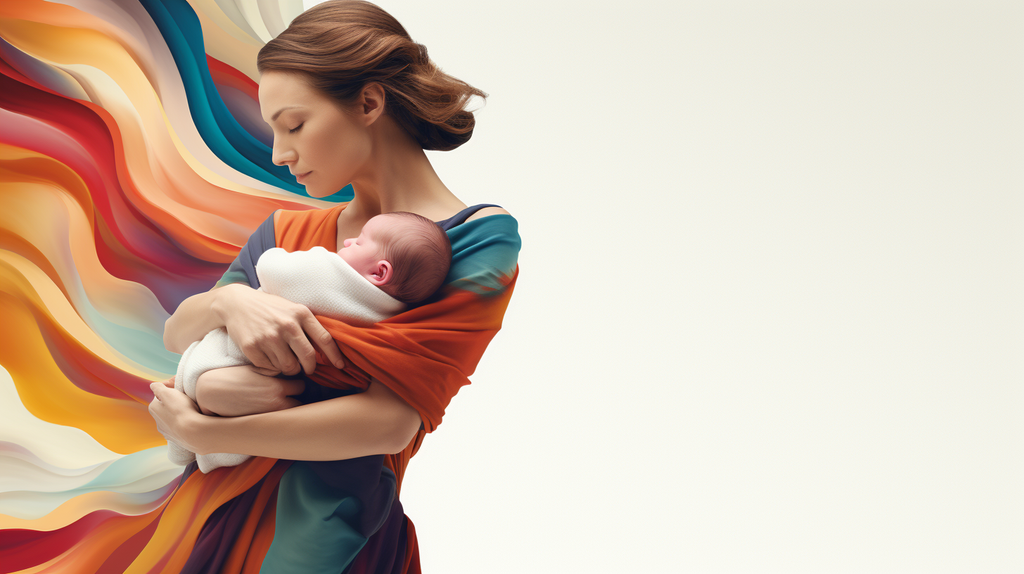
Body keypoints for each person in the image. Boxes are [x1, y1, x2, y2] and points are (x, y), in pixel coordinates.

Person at [144, 1, 520, 572]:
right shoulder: (286, 231)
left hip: (333, 536)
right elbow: (178, 332)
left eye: (294, 124)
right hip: (205, 517)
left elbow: (388, 422)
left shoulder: (476, 242)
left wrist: (197, 425)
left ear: (369, 103)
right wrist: (230, 300)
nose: (279, 153)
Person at [168, 211, 452, 474]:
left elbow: (273, 268)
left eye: (359, 242)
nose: (348, 241)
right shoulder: (391, 313)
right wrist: (226, 299)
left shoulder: (333, 278)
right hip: (285, 418)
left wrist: (200, 433)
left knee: (209, 388)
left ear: (379, 273)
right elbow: (173, 334)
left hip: (252, 381)